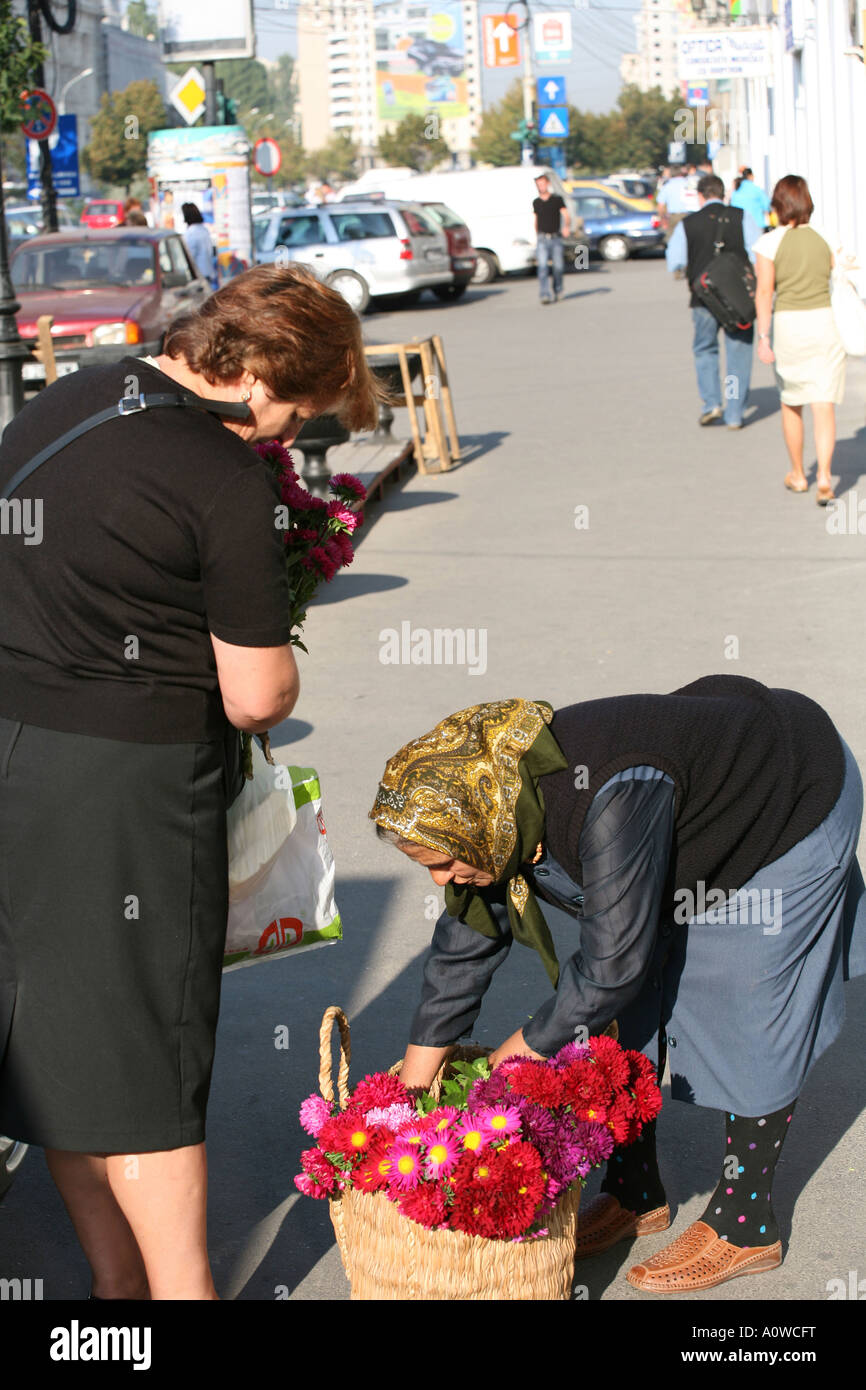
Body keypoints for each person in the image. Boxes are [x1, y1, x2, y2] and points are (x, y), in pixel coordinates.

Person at [0, 265, 381, 1300]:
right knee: (151, 1066)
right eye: (295, 416)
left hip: (20, 767)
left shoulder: (66, 399)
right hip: (133, 793)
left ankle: (121, 1298)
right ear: (258, 379)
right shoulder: (219, 479)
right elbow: (257, 693)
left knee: (63, 1049)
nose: (283, 439)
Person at [369, 682, 866, 1293]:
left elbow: (610, 967)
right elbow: (465, 943)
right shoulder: (495, 810)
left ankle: (746, 1224)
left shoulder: (604, 801)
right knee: (627, 1007)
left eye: (444, 863)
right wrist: (412, 1096)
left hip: (787, 793)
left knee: (750, 1005)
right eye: (432, 866)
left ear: (478, 821)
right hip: (694, 798)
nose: (444, 878)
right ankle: (636, 1193)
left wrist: (505, 1064)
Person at [753, 174, 846, 504]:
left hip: (789, 326)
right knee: (824, 403)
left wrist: (764, 337)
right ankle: (824, 475)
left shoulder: (769, 243)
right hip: (824, 322)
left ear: (779, 205)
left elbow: (765, 292)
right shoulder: (826, 237)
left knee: (792, 402)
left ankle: (797, 474)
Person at [666, 173, 763, 429]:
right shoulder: (741, 217)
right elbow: (757, 254)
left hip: (703, 299)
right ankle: (734, 412)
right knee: (737, 355)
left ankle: (711, 403)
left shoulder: (688, 224)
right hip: (738, 301)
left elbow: (674, 261)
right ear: (724, 194)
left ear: (700, 196)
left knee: (705, 351)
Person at [532, 173, 570, 306]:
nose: (540, 186)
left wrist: (566, 227)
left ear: (547, 184)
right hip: (542, 238)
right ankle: (544, 294)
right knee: (542, 267)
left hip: (556, 237)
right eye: (538, 184)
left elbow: (565, 214)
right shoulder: (536, 202)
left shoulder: (557, 199)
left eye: (542, 183)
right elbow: (536, 220)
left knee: (558, 267)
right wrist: (536, 234)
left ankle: (558, 290)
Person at [181, 201, 217, 287]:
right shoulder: (204, 230)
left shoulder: (191, 233)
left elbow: (189, 257)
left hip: (199, 277)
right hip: (208, 273)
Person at [730, 166, 771, 232]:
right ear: (750, 176)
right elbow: (767, 206)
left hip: (740, 228)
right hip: (757, 227)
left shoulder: (735, 192)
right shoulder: (756, 190)